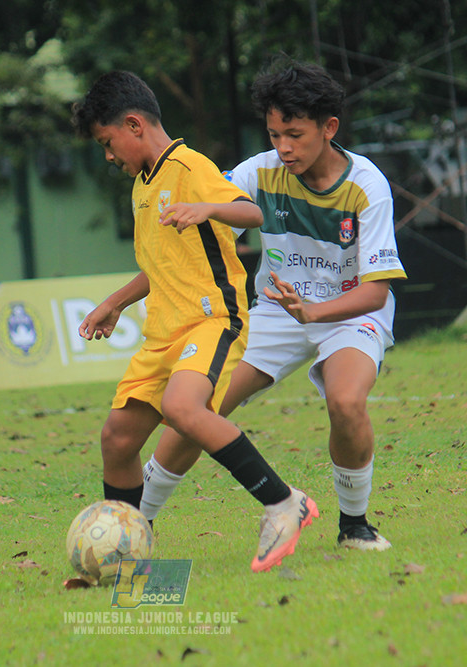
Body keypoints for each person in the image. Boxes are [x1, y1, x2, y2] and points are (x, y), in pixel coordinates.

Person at [140, 59, 407, 551]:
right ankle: (140, 520)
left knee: (346, 401)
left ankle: (354, 524)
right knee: (198, 406)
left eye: (295, 134)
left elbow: (376, 292)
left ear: (329, 128)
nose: (283, 147)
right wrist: (119, 299)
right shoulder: (258, 172)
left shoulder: (367, 186)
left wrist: (315, 312)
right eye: (274, 133)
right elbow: (191, 247)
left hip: (350, 313)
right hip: (274, 312)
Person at [72, 70, 316, 573]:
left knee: (184, 408)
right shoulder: (143, 187)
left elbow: (251, 213)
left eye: (107, 142)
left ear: (134, 125)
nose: (109, 156)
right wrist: (115, 302)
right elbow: (159, 266)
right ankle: (128, 555)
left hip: (212, 321)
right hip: (162, 333)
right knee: (117, 438)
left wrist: (206, 207)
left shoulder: (188, 165)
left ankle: (283, 501)